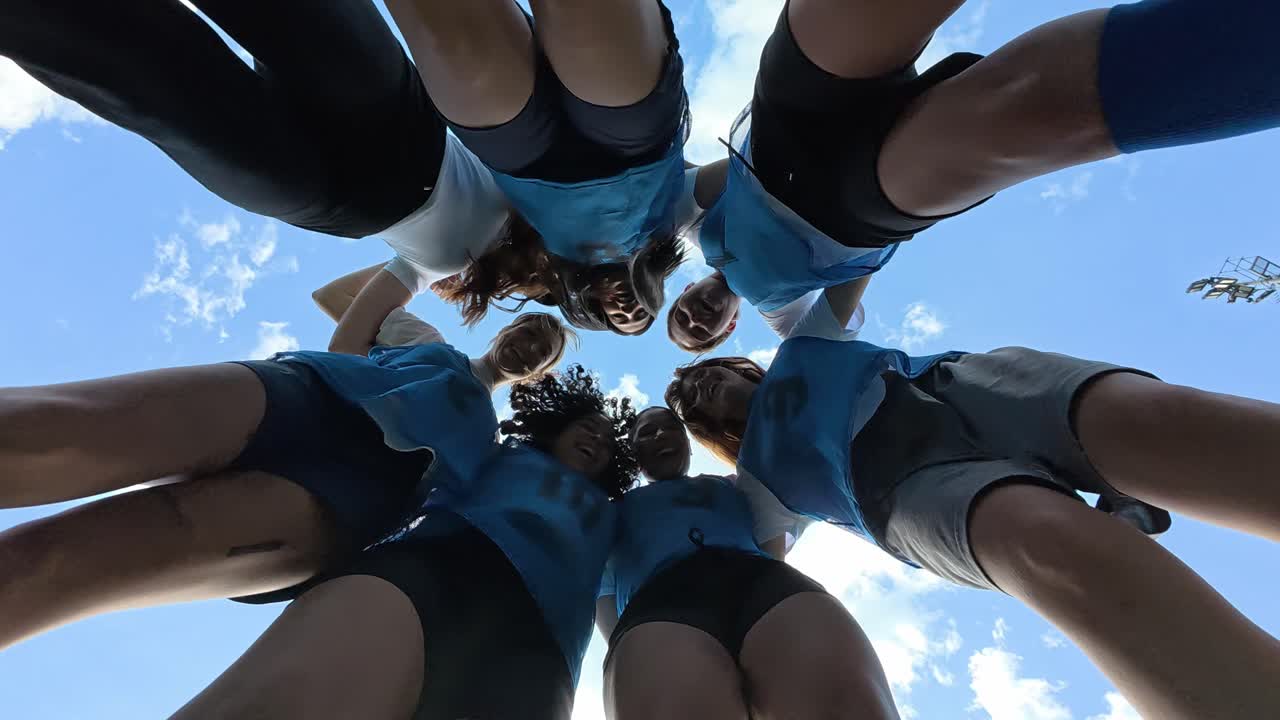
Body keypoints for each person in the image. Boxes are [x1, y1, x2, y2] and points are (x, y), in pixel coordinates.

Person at [664, 329, 1280, 717]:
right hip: (902, 492)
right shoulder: (756, 488)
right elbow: (730, 552)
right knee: (1051, 548)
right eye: (691, 403)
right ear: (708, 432)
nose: (699, 388)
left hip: (955, 386)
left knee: (1158, 425)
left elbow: (838, 240)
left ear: (738, 364)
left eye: (701, 373)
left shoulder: (806, 337)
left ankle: (1127, 499)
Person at [0, 1, 655, 334]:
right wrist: (628, 287)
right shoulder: (535, 195)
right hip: (397, 117)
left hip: (329, 196)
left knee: (153, 85)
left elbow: (346, 312)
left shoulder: (440, 271)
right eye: (563, 276)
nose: (544, 279)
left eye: (548, 295)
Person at [668, 0, 1280, 352]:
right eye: (702, 332)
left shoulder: (693, 230)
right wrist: (865, 249)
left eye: (683, 315)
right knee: (1033, 107)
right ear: (729, 328)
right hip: (858, 208)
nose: (697, 317)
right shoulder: (783, 314)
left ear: (684, 294)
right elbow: (827, 344)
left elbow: (666, 188)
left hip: (785, 130)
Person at [0, 301, 571, 650]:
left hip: (350, 496)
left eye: (540, 351)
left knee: (61, 567)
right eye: (527, 331)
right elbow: (341, 294)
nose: (527, 345)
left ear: (537, 375)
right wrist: (404, 274)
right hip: (306, 396)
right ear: (506, 328)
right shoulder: (427, 343)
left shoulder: (491, 449)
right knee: (59, 427)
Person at [168, 365, 638, 720]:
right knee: (287, 697)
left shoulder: (623, 517)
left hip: (543, 650)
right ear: (559, 424)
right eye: (587, 426)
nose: (596, 438)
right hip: (432, 569)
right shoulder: (498, 453)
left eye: (606, 438)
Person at [382, 0, 693, 335]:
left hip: (528, 166)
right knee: (584, 19)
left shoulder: (545, 271)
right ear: (656, 294)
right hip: (639, 147)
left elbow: (447, 262)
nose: (629, 310)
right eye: (642, 313)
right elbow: (742, 188)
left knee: (456, 50)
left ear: (593, 308)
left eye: (620, 319)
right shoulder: (678, 226)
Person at [599, 407, 899, 719]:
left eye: (669, 427)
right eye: (646, 433)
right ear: (633, 453)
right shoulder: (609, 514)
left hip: (764, 585)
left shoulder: (737, 486)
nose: (660, 434)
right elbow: (598, 593)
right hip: (659, 603)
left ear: (688, 443)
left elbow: (785, 512)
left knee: (850, 701)